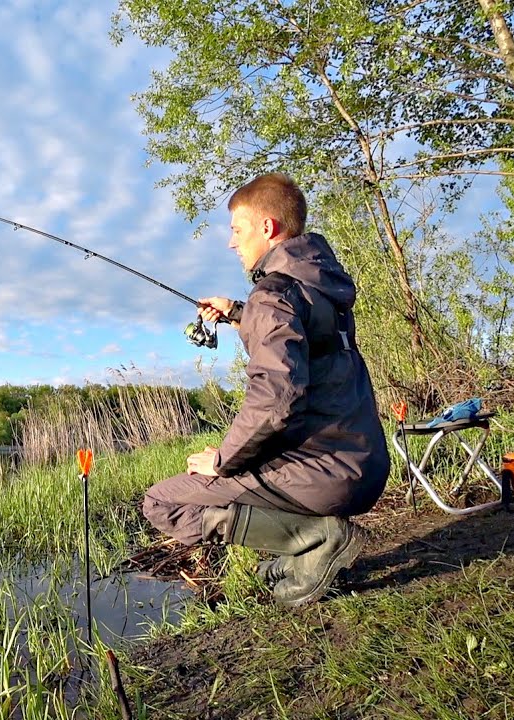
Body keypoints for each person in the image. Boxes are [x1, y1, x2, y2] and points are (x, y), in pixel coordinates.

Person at [142, 173, 390, 607]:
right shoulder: (320, 289)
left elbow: (277, 403)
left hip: (326, 474)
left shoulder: (273, 294)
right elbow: (303, 341)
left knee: (162, 502)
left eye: (237, 230)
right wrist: (238, 312)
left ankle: (318, 541)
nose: (232, 243)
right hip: (363, 466)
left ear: (268, 228)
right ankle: (305, 554)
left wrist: (224, 461)